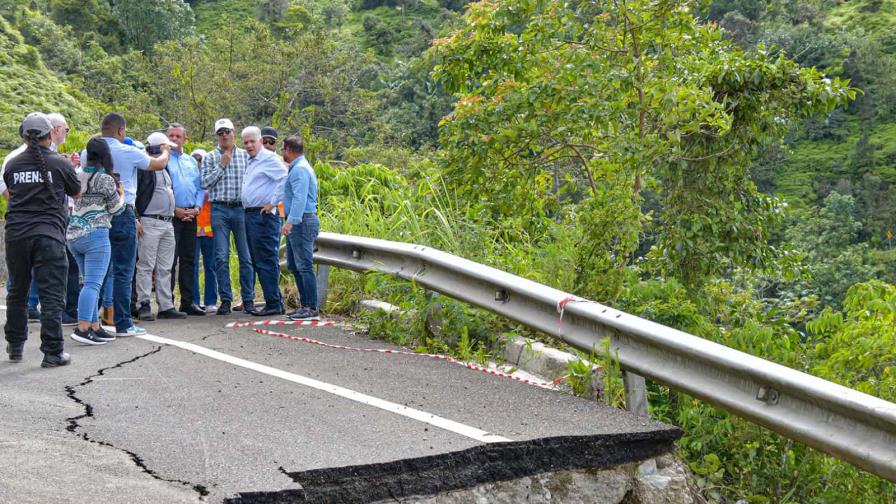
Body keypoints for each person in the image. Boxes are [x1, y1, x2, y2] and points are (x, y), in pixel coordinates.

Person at [4, 113, 80, 367]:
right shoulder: (60, 163)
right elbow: (76, 192)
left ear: (24, 136)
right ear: (50, 135)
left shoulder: (13, 164)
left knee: (17, 291)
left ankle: (15, 345)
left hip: (16, 235)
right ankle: (52, 352)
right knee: (52, 294)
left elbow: (10, 192)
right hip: (49, 235)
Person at [95, 113, 170, 336]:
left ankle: (90, 321)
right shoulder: (128, 151)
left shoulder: (90, 151)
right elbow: (159, 164)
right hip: (122, 211)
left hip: (97, 212)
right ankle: (123, 323)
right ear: (121, 130)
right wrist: (165, 149)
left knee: (97, 270)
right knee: (123, 270)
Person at [67, 138, 124, 345]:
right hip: (96, 235)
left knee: (89, 283)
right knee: (93, 284)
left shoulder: (77, 174)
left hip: (74, 235)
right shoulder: (105, 179)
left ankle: (94, 326)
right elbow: (116, 209)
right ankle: (83, 328)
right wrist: (122, 194)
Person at [200, 118, 255, 315]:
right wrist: (222, 165)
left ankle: (248, 299)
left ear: (233, 132)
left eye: (227, 131)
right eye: (220, 132)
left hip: (241, 208)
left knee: (245, 256)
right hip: (219, 209)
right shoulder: (209, 157)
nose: (224, 135)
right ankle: (225, 299)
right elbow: (205, 183)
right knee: (221, 257)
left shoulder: (245, 155)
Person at [134, 132, 187, 321]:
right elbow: (134, 193)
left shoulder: (165, 168)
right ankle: (143, 303)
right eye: (166, 147)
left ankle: (166, 305)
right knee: (146, 265)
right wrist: (136, 218)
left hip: (167, 222)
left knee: (166, 267)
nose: (169, 151)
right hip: (150, 220)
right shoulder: (144, 167)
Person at [241, 127, 286, 316]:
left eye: (252, 141)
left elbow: (285, 178)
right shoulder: (252, 160)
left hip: (263, 216)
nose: (249, 145)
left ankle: (274, 303)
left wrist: (272, 202)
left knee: (265, 260)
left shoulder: (268, 158)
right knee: (259, 260)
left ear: (260, 141)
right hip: (251, 215)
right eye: (246, 142)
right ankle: (273, 301)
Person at [1, 125, 41, 320]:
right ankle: (19, 307)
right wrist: (23, 202)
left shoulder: (47, 156)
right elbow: (4, 188)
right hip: (23, 219)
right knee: (19, 267)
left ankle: (29, 305)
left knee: (28, 264)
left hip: (30, 219)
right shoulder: (15, 158)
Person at [165, 124, 205, 316]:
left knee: (189, 260)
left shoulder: (191, 161)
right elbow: (161, 189)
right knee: (170, 261)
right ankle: (168, 303)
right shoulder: (163, 160)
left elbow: (200, 187)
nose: (174, 139)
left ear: (184, 139)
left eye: (177, 136)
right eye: (171, 136)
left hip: (191, 214)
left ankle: (187, 302)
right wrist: (175, 210)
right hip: (172, 215)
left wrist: (197, 208)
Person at [47, 112, 81, 327]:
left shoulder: (21, 158)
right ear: (55, 129)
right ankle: (65, 310)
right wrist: (67, 167)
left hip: (40, 219)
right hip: (56, 217)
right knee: (65, 264)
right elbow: (75, 191)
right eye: (66, 130)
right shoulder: (53, 159)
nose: (66, 133)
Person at [281, 136, 320, 321]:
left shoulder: (300, 170)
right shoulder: (297, 168)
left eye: (283, 149)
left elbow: (300, 197)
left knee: (304, 265)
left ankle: (311, 307)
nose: (282, 153)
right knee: (294, 265)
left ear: (288, 149)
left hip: (302, 221)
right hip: (298, 221)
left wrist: (291, 221)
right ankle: (305, 305)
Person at [191, 149, 217, 313]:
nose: (198, 163)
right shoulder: (190, 179)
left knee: (211, 266)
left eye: (200, 160)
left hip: (210, 230)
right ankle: (194, 300)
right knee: (192, 266)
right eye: (195, 160)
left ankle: (210, 301)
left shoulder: (211, 179)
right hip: (192, 229)